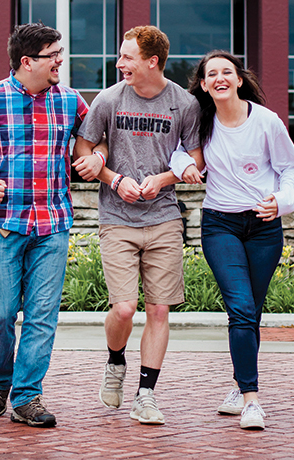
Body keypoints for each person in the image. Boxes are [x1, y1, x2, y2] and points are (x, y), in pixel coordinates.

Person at [0, 23, 103, 428]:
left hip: (53, 224)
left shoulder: (71, 101)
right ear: (27, 61)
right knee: (0, 313)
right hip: (2, 225)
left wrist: (97, 159)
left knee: (42, 315)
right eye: (54, 54)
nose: (60, 61)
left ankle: (27, 396)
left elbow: (96, 140)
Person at [172, 50, 294, 430]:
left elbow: (292, 172)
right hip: (221, 226)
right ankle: (251, 400)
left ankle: (237, 385)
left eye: (226, 72)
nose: (219, 78)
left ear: (238, 80)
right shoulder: (201, 121)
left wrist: (281, 203)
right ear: (203, 84)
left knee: (252, 312)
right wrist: (184, 167)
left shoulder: (266, 122)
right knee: (242, 310)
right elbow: (179, 152)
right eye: (211, 73)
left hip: (264, 228)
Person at [73, 25, 200, 425]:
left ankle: (146, 394)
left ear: (152, 61)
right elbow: (84, 148)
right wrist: (113, 178)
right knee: (125, 308)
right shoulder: (109, 99)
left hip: (163, 216)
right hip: (117, 217)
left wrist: (163, 179)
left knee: (159, 310)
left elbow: (194, 158)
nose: (120, 63)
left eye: (127, 57)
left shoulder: (184, 104)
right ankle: (115, 362)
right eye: (120, 55)